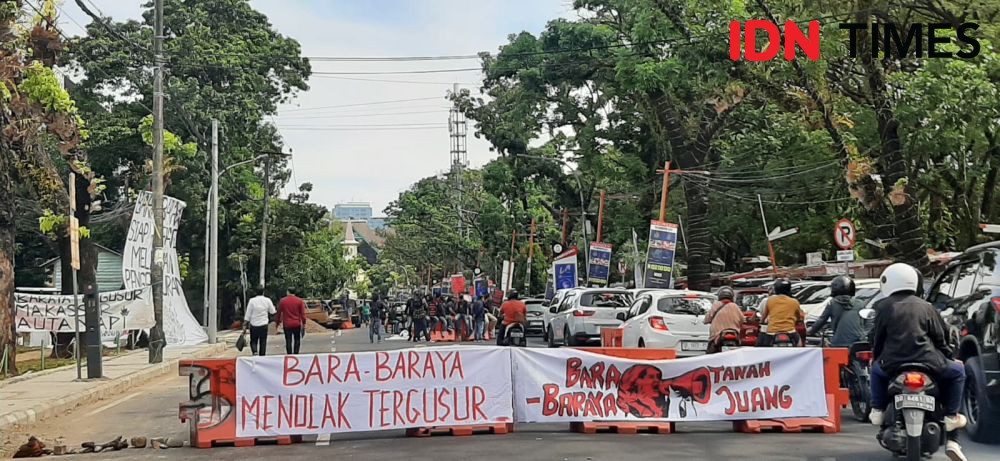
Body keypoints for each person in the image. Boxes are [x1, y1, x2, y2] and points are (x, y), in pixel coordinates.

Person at [868, 263, 967, 461]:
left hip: (893, 364)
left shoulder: (883, 307)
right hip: (930, 361)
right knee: (958, 372)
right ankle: (952, 418)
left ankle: (877, 409)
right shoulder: (927, 307)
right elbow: (941, 338)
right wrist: (950, 357)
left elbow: (877, 338)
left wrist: (877, 357)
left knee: (875, 372)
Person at [806, 275, 867, 347]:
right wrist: (864, 334)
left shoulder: (832, 303)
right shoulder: (860, 303)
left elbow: (821, 321)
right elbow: (868, 321)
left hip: (839, 342)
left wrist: (810, 330)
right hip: (859, 342)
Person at [759, 278, 804, 347]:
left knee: (764, 348)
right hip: (790, 332)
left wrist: (761, 321)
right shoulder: (794, 302)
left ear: (776, 289)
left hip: (772, 332)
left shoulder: (770, 300)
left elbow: (763, 317)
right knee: (799, 346)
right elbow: (799, 317)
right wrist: (799, 320)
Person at [704, 286, 744, 354]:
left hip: (717, 336)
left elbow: (706, 320)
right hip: (735, 334)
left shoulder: (715, 305)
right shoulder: (735, 306)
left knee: (710, 354)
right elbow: (742, 320)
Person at [244, 289, 275, 356]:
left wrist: (245, 323)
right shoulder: (267, 300)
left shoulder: (252, 301)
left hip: (254, 324)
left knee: (253, 340)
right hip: (264, 324)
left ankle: (255, 351)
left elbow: (248, 313)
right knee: (263, 341)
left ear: (255, 293)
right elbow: (272, 311)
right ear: (263, 292)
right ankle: (262, 355)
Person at [275, 288, 307, 355]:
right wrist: (304, 323)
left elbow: (279, 313)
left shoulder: (283, 301)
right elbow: (303, 314)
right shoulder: (299, 301)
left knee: (288, 340)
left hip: (287, 324)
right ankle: (296, 354)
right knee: (297, 340)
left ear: (288, 292)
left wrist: (277, 322)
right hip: (296, 323)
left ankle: (289, 355)